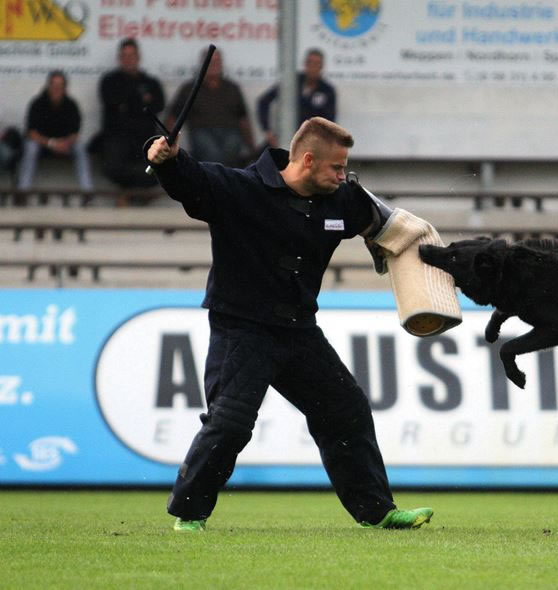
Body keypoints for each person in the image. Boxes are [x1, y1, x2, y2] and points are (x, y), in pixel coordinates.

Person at [144, 117, 433, 532]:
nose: (343, 175)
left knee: (345, 409)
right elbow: (190, 180)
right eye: (336, 167)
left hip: (299, 332)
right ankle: (189, 515)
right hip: (242, 329)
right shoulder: (241, 189)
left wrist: (425, 260)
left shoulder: (342, 198)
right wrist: (164, 158)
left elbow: (387, 224)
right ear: (308, 160)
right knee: (231, 422)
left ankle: (376, 511)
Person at [166, 49, 255, 167]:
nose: (214, 64)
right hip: (201, 131)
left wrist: (252, 148)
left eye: (217, 61)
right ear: (203, 64)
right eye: (210, 61)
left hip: (230, 131)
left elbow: (243, 120)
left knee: (232, 146)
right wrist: (167, 143)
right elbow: (173, 118)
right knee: (211, 152)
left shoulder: (233, 88)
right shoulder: (189, 88)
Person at [97, 38, 164, 190]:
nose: (128, 60)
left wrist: (127, 105)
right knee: (113, 165)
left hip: (144, 137)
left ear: (138, 57)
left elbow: (158, 105)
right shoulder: (109, 81)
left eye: (131, 55)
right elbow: (111, 102)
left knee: (155, 168)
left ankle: (130, 194)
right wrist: (140, 102)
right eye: (124, 56)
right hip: (117, 136)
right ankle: (130, 192)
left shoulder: (150, 82)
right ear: (119, 58)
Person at [18, 70, 93, 191]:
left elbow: (75, 133)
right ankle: (22, 191)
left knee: (80, 148)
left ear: (65, 87)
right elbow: (32, 133)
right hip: (42, 145)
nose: (56, 88)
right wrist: (52, 144)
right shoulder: (37, 103)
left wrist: (65, 143)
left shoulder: (71, 104)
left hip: (64, 145)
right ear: (48, 86)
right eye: (53, 84)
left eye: (60, 85)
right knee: (30, 147)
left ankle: (87, 192)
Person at [256, 48, 336, 148]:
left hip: (310, 141)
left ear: (322, 67)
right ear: (305, 64)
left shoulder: (327, 90)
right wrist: (267, 130)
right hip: (285, 134)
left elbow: (329, 121)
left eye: (317, 64)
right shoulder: (292, 82)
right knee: (263, 158)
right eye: (310, 63)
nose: (313, 67)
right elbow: (264, 101)